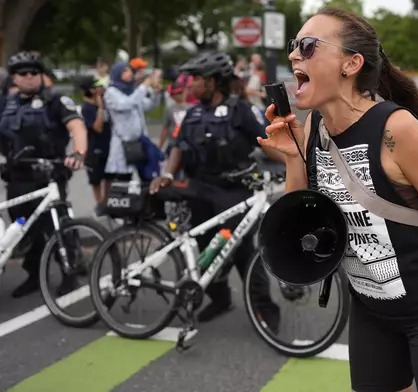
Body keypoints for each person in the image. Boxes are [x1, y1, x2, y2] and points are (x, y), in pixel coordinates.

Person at [258, 7, 418, 391]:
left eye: (308, 46)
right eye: (294, 46)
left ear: (351, 63)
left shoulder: (396, 129)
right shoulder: (313, 126)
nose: (294, 55)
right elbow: (299, 220)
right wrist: (295, 155)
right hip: (370, 308)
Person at [149, 51, 283, 326]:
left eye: (195, 79)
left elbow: (264, 144)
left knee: (242, 252)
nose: (189, 84)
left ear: (212, 82)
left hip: (234, 191)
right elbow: (178, 147)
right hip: (200, 189)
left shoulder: (239, 110)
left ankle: (265, 311)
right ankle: (219, 298)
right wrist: (167, 174)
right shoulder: (191, 113)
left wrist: (293, 161)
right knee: (202, 250)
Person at [0, 51, 87, 298]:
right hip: (18, 177)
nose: (29, 77)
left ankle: (71, 271)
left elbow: (76, 126)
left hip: (49, 176)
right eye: (22, 73)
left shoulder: (55, 100)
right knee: (23, 228)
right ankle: (34, 274)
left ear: (41, 75)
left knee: (57, 226)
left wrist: (78, 153)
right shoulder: (6, 104)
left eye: (33, 73)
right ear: (14, 78)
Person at [103, 62, 161, 183]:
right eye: (125, 71)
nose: (129, 74)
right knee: (124, 181)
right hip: (123, 144)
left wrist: (156, 93)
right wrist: (144, 86)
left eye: (130, 71)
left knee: (147, 178)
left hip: (139, 142)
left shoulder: (133, 90)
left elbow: (148, 106)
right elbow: (126, 104)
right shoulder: (111, 92)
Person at [79, 76, 112, 212]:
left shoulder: (105, 102)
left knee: (109, 176)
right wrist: (99, 107)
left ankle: (107, 201)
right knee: (96, 179)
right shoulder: (87, 108)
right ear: (92, 90)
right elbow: (97, 128)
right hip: (94, 148)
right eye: (98, 86)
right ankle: (99, 203)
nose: (102, 88)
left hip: (108, 145)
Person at [159, 78, 193, 156]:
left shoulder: (192, 108)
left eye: (181, 92)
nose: (180, 95)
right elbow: (165, 128)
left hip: (190, 143)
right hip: (174, 144)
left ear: (186, 92)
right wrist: (160, 146)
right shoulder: (170, 110)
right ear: (172, 96)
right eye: (177, 93)